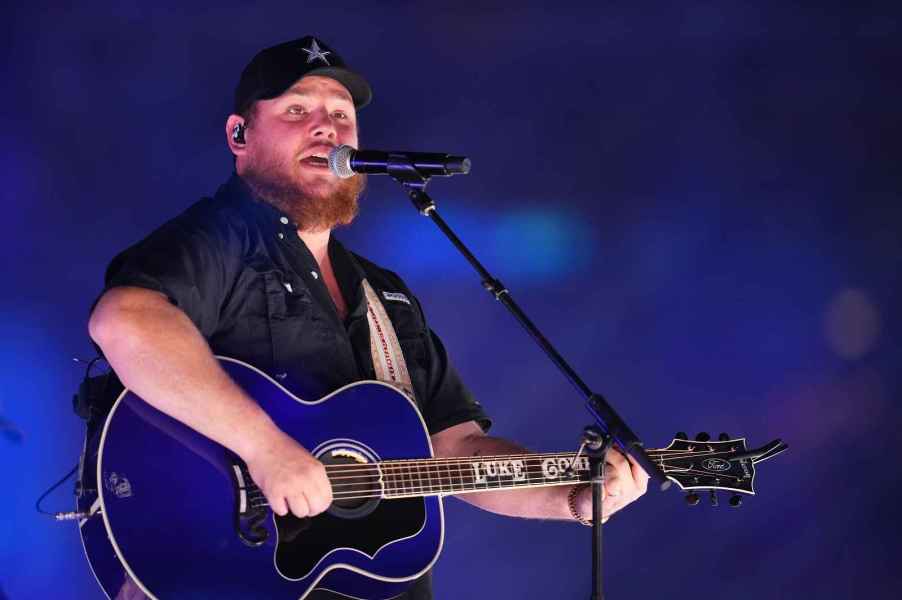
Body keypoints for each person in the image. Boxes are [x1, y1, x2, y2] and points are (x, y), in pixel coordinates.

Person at [88, 36, 649, 599]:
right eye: (297, 110)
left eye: (340, 115)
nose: (326, 127)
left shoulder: (385, 294)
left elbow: (453, 451)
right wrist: (266, 448)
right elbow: (126, 322)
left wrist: (575, 497)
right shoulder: (217, 239)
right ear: (240, 135)